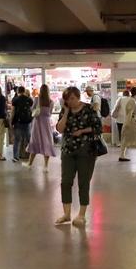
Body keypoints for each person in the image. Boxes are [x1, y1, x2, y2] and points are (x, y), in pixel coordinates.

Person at [55, 86, 102, 227]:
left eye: (72, 99)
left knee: (83, 182)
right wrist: (66, 112)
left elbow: (97, 128)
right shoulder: (65, 110)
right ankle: (66, 213)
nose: (70, 101)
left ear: (78, 97)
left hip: (86, 151)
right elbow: (59, 129)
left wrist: (82, 131)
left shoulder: (89, 109)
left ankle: (82, 214)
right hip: (68, 150)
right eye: (67, 100)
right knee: (66, 181)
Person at [28, 85, 56, 170]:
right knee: (46, 142)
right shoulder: (51, 102)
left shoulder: (37, 99)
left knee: (35, 141)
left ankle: (29, 163)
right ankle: (46, 166)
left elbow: (32, 109)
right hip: (46, 123)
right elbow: (50, 113)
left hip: (37, 122)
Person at [10, 85, 33, 162]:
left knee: (17, 140)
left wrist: (11, 121)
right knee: (28, 139)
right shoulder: (29, 99)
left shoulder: (15, 100)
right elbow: (31, 110)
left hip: (18, 122)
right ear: (24, 91)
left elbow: (13, 112)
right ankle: (31, 155)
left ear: (17, 91)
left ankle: (15, 157)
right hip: (27, 122)